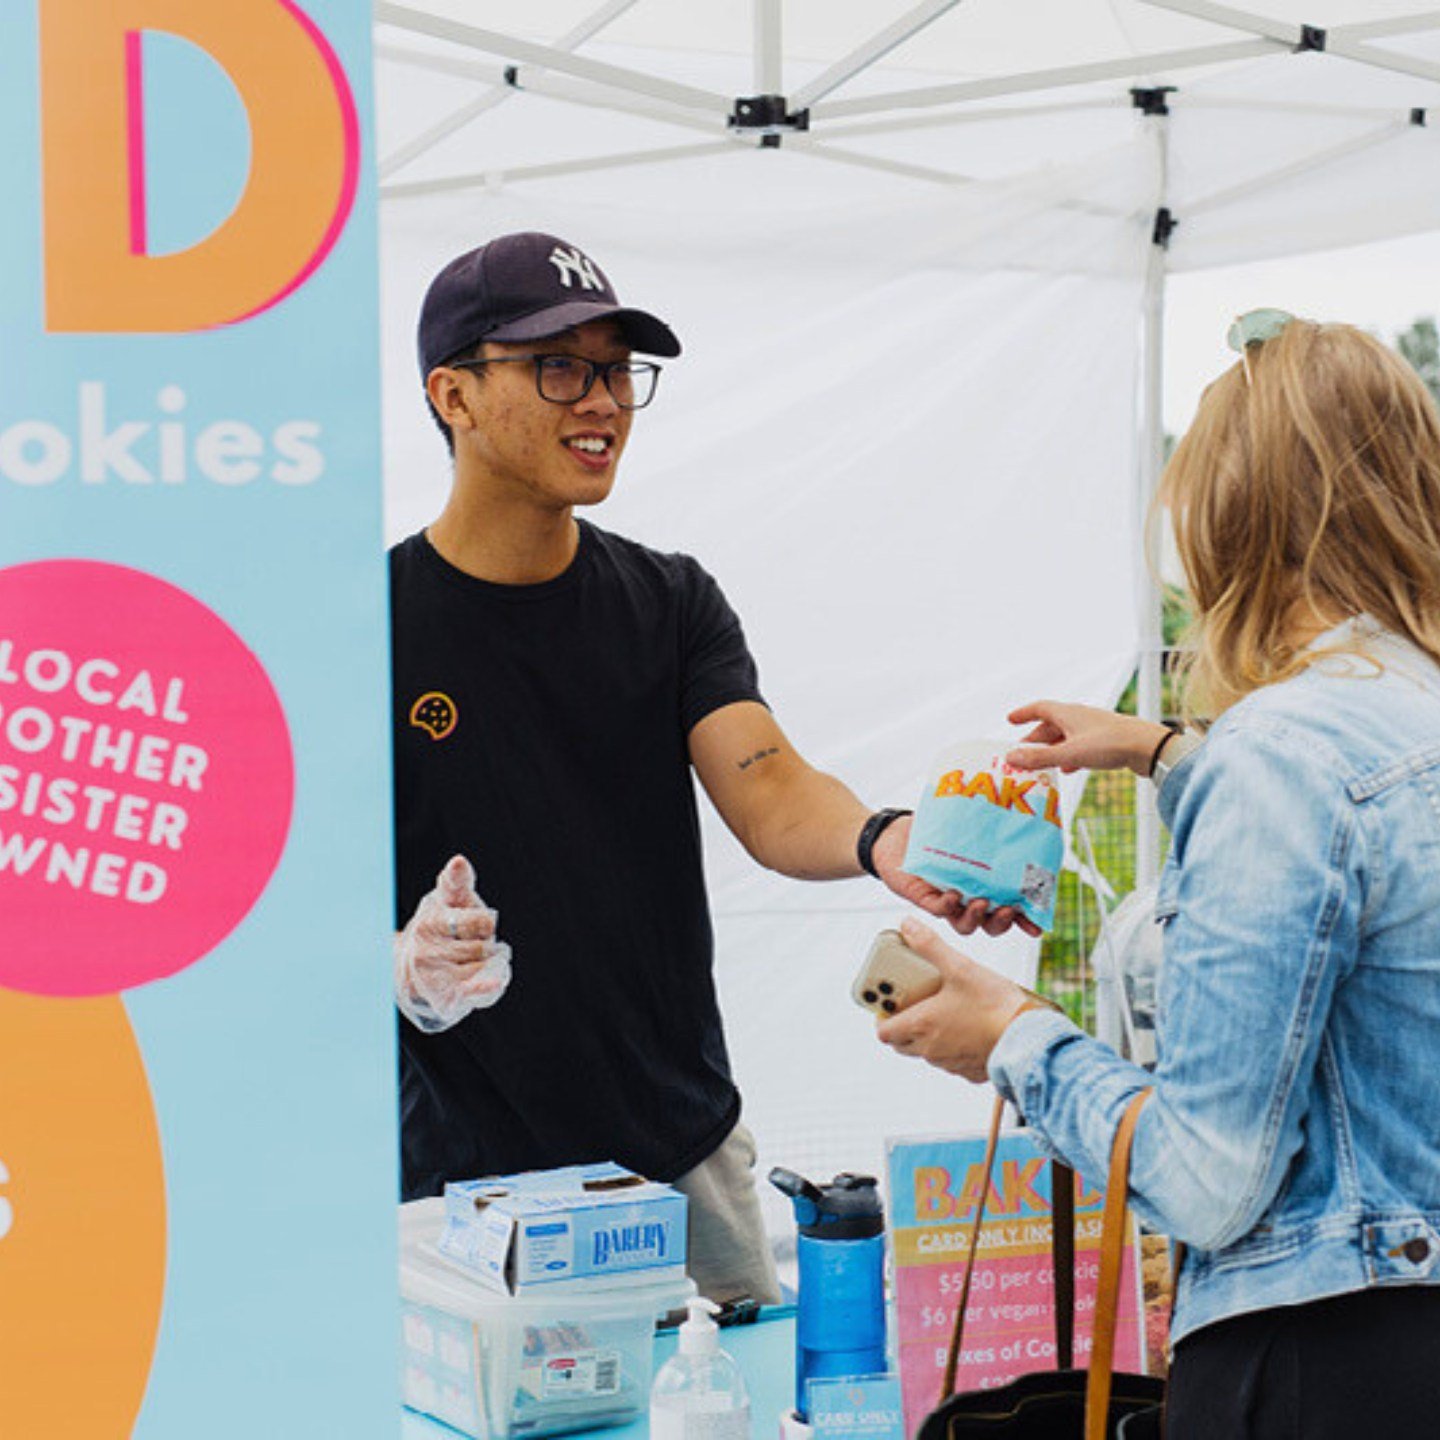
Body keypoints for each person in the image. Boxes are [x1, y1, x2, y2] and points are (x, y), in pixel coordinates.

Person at [388, 231, 1027, 1303]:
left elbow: (771, 789)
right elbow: (278, 909)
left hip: (680, 1160)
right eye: (559, 368)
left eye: (616, 372)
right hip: (462, 1189)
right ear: (452, 394)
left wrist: (887, 840)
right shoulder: (368, 623)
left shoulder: (671, 602)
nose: (600, 402)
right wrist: (396, 960)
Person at [876, 313, 1440, 1436]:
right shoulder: (1403, 722)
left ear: (1233, 524)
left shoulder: (1283, 755)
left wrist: (1014, 1038)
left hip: (1326, 1367)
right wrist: (1168, 753)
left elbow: (1205, 1180)